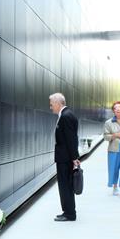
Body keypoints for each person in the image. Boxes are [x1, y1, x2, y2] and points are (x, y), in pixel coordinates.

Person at [49, 93, 80, 221]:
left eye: (51, 104)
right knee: (66, 185)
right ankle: (68, 211)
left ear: (58, 103)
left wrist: (74, 158)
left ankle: (69, 214)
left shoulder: (66, 116)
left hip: (65, 159)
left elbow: (71, 139)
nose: (51, 107)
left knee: (65, 186)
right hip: (66, 157)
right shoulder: (67, 114)